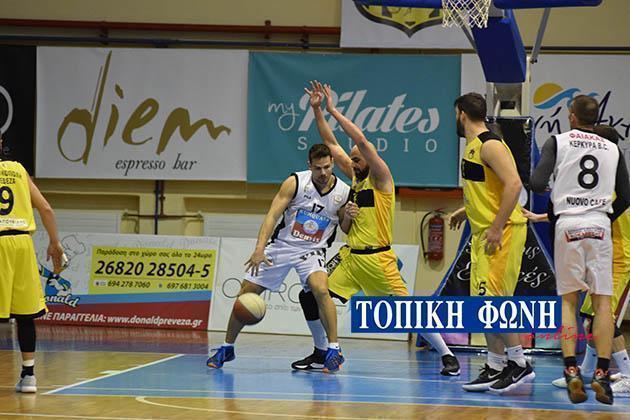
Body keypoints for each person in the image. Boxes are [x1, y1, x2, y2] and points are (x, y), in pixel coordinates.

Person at [291, 81, 460, 376]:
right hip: (351, 258)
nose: (352, 162)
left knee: (409, 312)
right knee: (309, 295)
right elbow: (331, 143)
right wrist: (317, 111)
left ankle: (447, 355)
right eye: (352, 159)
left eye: (356, 159)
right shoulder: (356, 178)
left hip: (378, 260)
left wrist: (333, 110)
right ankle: (321, 352)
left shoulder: (382, 178)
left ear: (368, 158)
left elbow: (362, 141)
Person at [206, 143, 351, 373]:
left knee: (320, 289)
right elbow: (272, 215)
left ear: (332, 163)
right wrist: (259, 249)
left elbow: (345, 227)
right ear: (309, 166)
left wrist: (349, 217)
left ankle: (334, 349)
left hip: (312, 250)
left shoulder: (344, 191)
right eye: (317, 168)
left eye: (326, 167)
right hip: (282, 246)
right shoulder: (295, 182)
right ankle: (227, 347)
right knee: (246, 292)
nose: (323, 173)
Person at [531, 96, 630, 405]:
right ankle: (601, 373)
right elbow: (626, 195)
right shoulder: (613, 148)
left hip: (568, 225)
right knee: (602, 305)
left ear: (571, 116)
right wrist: (603, 217)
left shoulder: (558, 141)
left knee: (569, 303)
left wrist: (559, 192)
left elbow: (536, 182)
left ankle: (572, 370)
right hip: (599, 225)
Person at [448, 93, 534, 394]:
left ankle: (519, 364)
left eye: (454, 114)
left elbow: (514, 184)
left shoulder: (490, 144)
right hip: (483, 232)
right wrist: (466, 210)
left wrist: (496, 227)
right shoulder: (472, 147)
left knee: (494, 303)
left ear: (461, 113)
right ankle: (495, 365)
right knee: (481, 304)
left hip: (503, 232)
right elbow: (489, 188)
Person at [0, 130, 65, 393]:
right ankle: (29, 375)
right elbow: (46, 208)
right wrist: (54, 242)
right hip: (22, 244)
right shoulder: (18, 170)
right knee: (25, 314)